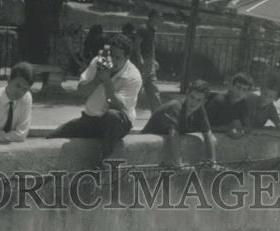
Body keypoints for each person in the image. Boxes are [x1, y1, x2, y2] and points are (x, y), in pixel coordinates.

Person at [47, 34, 142, 162]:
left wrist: (107, 81)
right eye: (111, 55)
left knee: (112, 116)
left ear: (127, 58)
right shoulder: (98, 61)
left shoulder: (133, 76)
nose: (113, 60)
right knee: (53, 136)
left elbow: (114, 106)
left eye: (118, 57)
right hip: (91, 119)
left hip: (117, 123)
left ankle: (103, 163)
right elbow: (81, 92)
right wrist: (97, 79)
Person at [142, 80, 218, 168]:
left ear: (203, 101)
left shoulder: (199, 110)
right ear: (187, 94)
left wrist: (212, 161)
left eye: (198, 100)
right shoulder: (176, 106)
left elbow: (208, 135)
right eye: (192, 97)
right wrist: (178, 165)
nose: (194, 103)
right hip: (146, 144)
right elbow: (174, 135)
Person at [137, 10, 162, 112]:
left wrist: (154, 60)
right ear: (153, 17)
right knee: (138, 87)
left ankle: (158, 112)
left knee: (152, 88)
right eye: (158, 17)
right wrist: (140, 58)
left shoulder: (153, 30)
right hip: (144, 62)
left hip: (150, 62)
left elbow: (152, 47)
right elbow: (136, 44)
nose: (160, 20)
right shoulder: (143, 28)